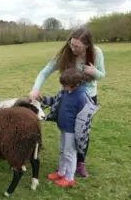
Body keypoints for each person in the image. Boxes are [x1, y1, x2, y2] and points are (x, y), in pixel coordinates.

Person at [28, 27, 106, 177]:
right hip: (67, 96)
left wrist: (94, 72)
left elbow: (102, 74)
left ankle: (80, 163)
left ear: (87, 45)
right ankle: (65, 164)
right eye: (72, 44)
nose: (73, 48)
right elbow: (45, 71)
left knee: (82, 131)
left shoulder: (97, 53)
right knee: (67, 130)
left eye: (77, 46)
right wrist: (35, 89)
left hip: (86, 98)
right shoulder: (66, 54)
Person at [46, 68, 92, 187]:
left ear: (76, 85)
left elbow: (84, 118)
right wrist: (42, 99)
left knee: (70, 153)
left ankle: (70, 177)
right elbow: (55, 101)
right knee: (62, 151)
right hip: (63, 128)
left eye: (66, 85)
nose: (64, 87)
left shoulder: (81, 97)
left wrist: (79, 134)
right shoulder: (65, 92)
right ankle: (61, 172)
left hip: (72, 131)